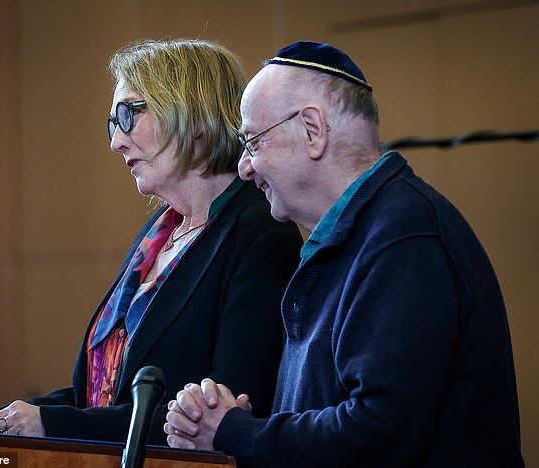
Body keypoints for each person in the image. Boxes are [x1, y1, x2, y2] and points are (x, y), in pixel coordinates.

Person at [164, 40, 524, 466]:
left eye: (253, 142)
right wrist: (251, 429)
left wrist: (236, 431)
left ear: (312, 130)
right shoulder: (362, 231)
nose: (245, 167)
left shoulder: (406, 239)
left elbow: (379, 436)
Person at [0, 39, 302, 444]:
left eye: (128, 114)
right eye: (112, 123)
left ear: (195, 113)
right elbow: (98, 396)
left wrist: (52, 424)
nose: (116, 141)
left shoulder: (260, 231)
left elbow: (227, 414)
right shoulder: (159, 235)